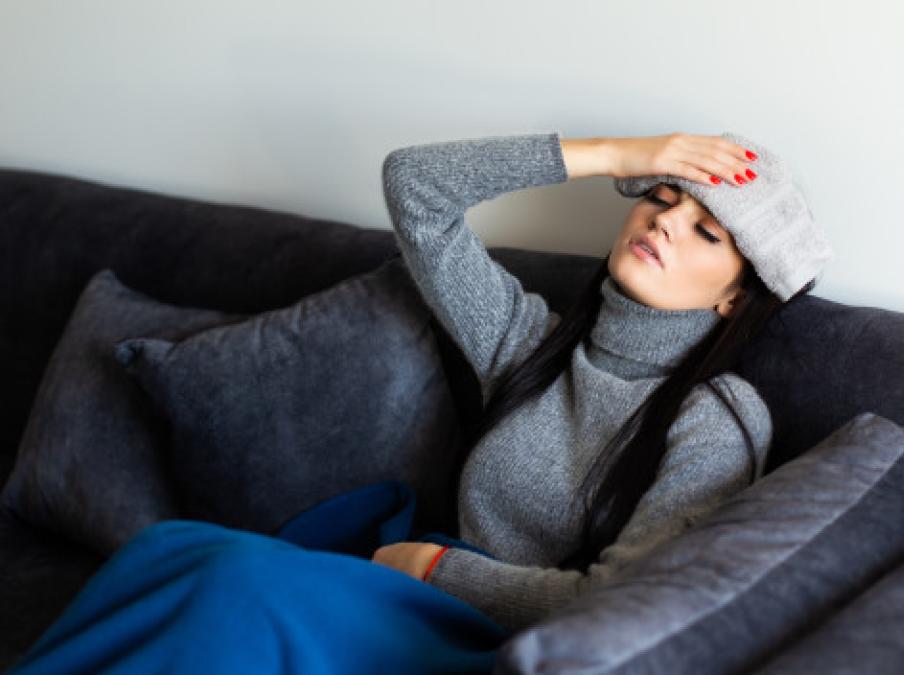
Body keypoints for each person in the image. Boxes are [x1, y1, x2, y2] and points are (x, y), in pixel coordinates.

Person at [8, 130, 833, 674]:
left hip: (502, 641)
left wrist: (441, 566)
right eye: (662, 198)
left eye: (707, 232)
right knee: (173, 549)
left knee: (238, 585)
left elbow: (623, 607)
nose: (665, 222)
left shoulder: (714, 421)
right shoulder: (530, 343)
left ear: (734, 297)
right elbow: (417, 189)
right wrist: (620, 151)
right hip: (417, 590)